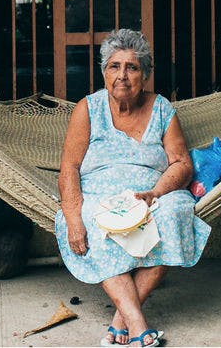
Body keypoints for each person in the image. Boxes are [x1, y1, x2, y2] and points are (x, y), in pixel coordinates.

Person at [55, 29, 211, 347]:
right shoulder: (88, 109)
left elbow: (181, 163)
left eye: (132, 67)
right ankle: (138, 323)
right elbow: (69, 168)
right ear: (104, 72)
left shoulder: (162, 109)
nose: (123, 75)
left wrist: (155, 193)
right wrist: (73, 217)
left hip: (150, 195)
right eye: (115, 66)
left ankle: (120, 320)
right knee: (95, 224)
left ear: (145, 75)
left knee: (176, 216)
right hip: (98, 195)